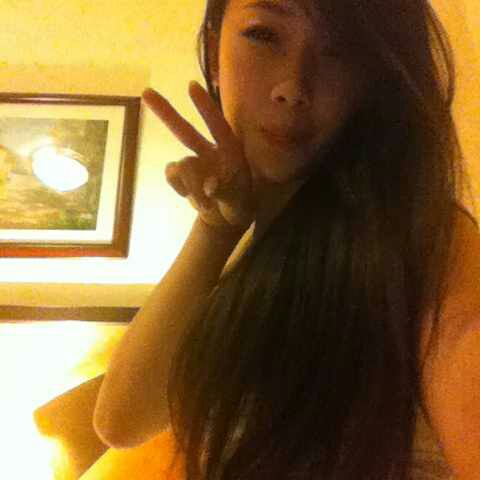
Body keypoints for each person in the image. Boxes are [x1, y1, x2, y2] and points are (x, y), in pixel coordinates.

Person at [93, 0, 480, 478]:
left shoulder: (420, 238)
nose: (293, 87)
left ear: (375, 78)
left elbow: (464, 331)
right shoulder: (250, 241)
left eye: (339, 49)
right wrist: (216, 229)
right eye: (265, 35)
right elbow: (121, 420)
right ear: (214, 51)